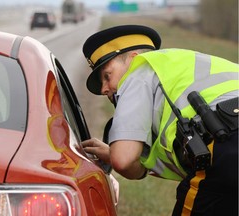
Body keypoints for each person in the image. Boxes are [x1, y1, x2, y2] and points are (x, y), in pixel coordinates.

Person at [81, 25, 238, 216]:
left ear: (133, 58)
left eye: (107, 76)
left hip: (226, 147)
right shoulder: (186, 63)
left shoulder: (138, 69)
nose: (105, 88)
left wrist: (123, 157)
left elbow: (123, 160)